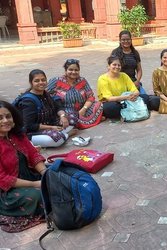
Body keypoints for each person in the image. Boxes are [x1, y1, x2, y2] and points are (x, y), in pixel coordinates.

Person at [0, 100, 47, 232]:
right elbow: (3, 178)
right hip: (7, 190)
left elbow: (33, 155)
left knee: (56, 176)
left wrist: (44, 172)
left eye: (8, 116)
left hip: (30, 174)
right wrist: (35, 184)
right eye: (0, 118)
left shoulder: (17, 135)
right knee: (38, 195)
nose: (5, 121)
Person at [14, 69, 75, 148]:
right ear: (31, 83)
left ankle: (61, 133)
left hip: (49, 123)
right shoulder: (28, 101)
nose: (41, 83)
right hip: (30, 132)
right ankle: (66, 135)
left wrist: (62, 116)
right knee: (56, 138)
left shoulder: (45, 93)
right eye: (37, 81)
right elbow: (29, 126)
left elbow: (57, 106)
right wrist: (51, 127)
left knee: (73, 116)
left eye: (43, 80)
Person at [47, 59, 103, 129]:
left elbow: (90, 97)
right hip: (65, 111)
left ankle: (78, 123)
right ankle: (86, 121)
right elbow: (45, 93)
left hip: (82, 109)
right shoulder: (56, 81)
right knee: (70, 118)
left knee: (98, 105)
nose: (73, 72)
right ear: (65, 70)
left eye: (76, 70)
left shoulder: (82, 80)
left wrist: (84, 109)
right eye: (70, 69)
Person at [111, 30, 146, 94]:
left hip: (133, 81)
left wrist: (137, 81)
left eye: (128, 39)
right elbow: (112, 69)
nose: (126, 41)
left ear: (131, 40)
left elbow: (139, 70)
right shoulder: (115, 53)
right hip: (119, 82)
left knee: (145, 98)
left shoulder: (135, 53)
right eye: (123, 40)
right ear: (120, 40)